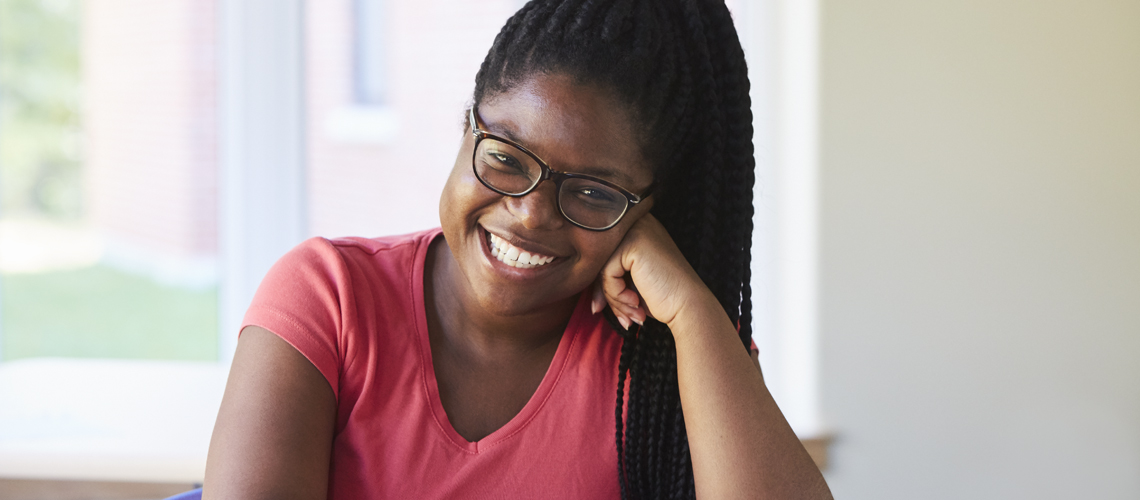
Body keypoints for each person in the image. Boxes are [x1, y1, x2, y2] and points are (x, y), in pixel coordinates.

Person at [203, 0, 833, 498]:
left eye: (591, 193)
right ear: (466, 128)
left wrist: (695, 313)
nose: (529, 214)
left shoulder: (673, 348)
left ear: (648, 212)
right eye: (505, 157)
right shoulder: (328, 298)